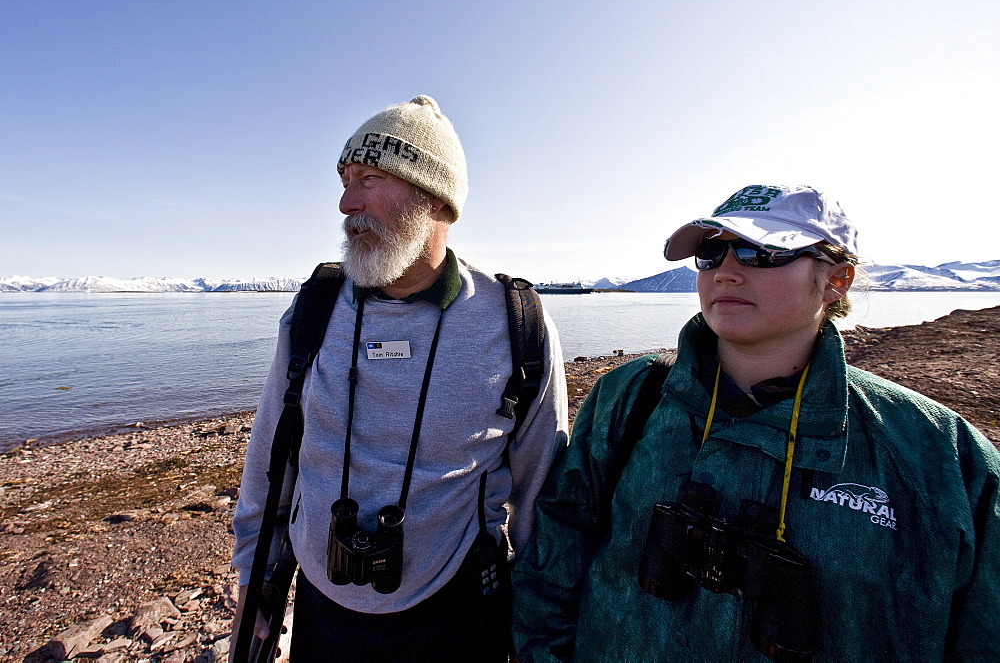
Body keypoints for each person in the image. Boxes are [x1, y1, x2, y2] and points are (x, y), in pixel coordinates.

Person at [511, 184, 1000, 661]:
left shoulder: (937, 454)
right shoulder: (628, 398)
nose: (725, 272)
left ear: (837, 280)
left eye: (760, 253)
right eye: (711, 254)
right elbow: (555, 557)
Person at [231, 95, 568, 660]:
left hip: (458, 614)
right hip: (322, 608)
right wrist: (253, 577)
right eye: (344, 180)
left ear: (434, 197)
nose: (345, 203)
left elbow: (540, 495)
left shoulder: (515, 325)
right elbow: (273, 456)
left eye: (369, 178)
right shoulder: (314, 311)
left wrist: (540, 628)